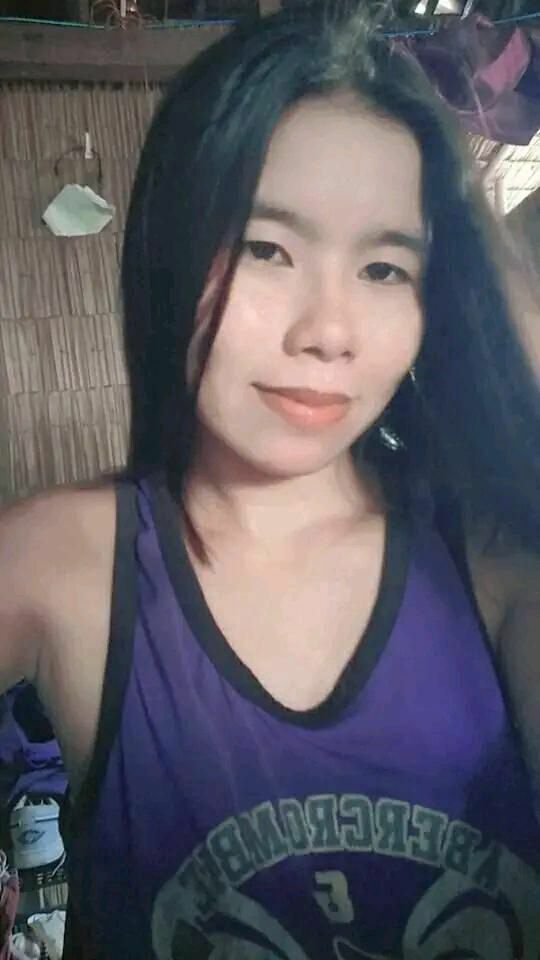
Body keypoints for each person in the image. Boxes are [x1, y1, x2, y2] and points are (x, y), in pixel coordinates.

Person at [1, 5, 540, 958]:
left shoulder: (490, 558)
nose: (328, 331)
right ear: (170, 248)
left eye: (385, 268)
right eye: (266, 249)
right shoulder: (58, 563)